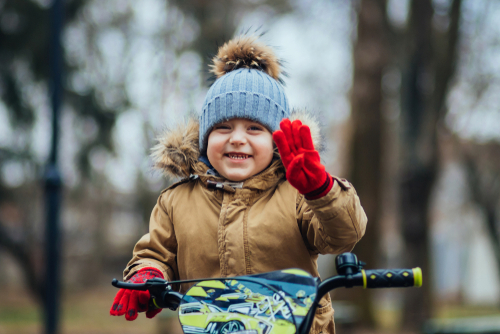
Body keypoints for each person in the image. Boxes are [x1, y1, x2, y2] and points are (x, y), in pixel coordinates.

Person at [110, 35, 367, 334]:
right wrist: (148, 273)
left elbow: (343, 236)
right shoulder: (177, 202)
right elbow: (155, 253)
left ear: (276, 141)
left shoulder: (296, 194)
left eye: (254, 128)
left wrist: (321, 190)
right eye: (223, 127)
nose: (237, 138)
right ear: (205, 139)